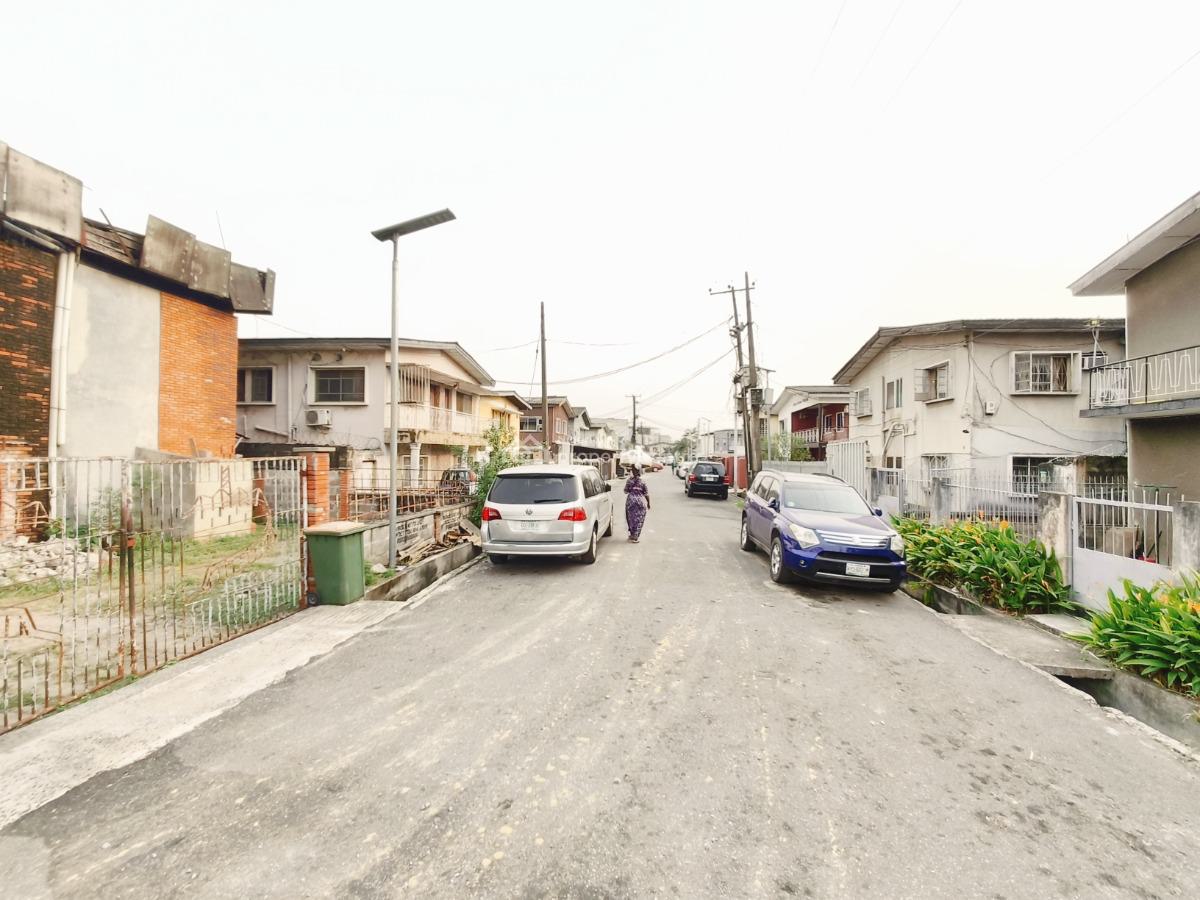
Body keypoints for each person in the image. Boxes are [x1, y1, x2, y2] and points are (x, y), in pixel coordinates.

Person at [624, 466, 650, 542]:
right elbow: (646, 494)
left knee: (630, 518)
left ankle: (632, 534)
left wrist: (631, 488)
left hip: (631, 501)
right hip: (640, 502)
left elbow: (625, 491)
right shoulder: (643, 482)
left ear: (632, 471)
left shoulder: (629, 481)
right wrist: (648, 503)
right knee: (639, 518)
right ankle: (636, 536)